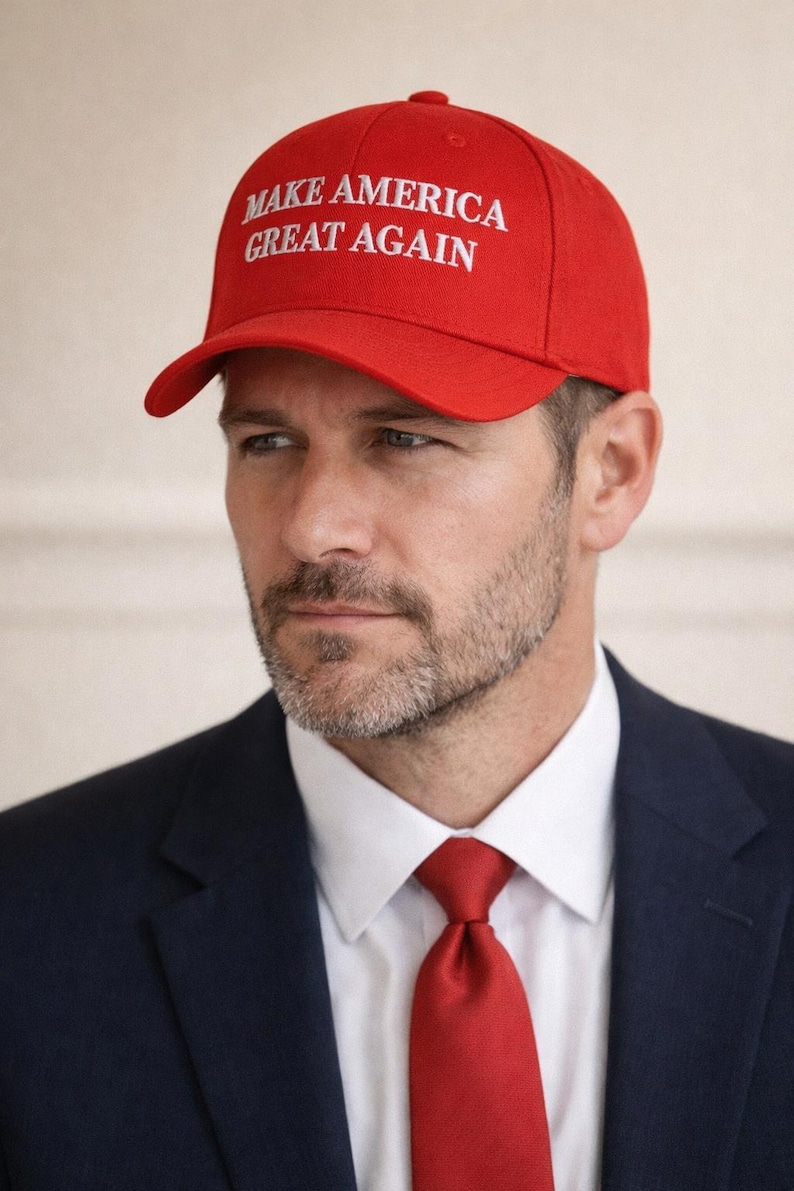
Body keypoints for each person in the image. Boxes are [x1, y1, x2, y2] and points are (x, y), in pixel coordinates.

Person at [0, 91, 791, 1191]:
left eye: (405, 438)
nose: (313, 525)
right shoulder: (25, 927)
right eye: (267, 439)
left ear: (608, 474)